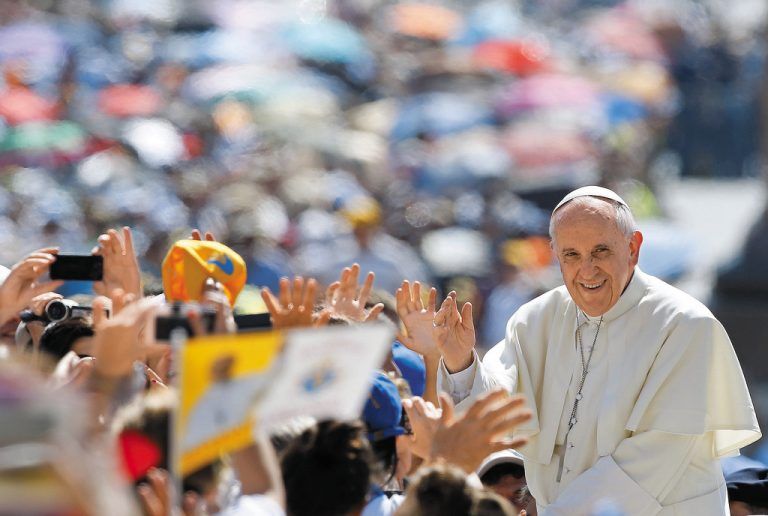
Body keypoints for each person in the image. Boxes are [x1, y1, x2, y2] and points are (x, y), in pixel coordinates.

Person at [427, 186, 760, 515]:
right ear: (556, 255)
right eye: (571, 255)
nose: (586, 270)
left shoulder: (684, 325)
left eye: (600, 251)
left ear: (632, 248)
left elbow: (649, 462)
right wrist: (461, 362)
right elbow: (499, 408)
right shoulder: (536, 319)